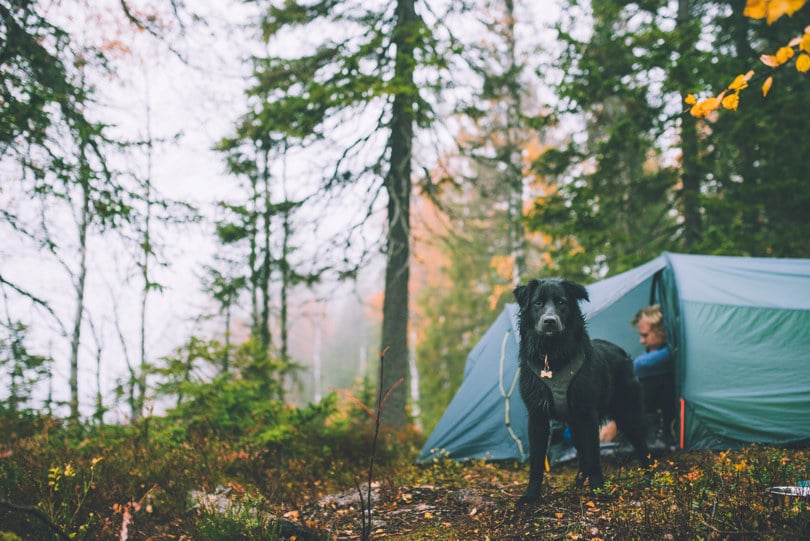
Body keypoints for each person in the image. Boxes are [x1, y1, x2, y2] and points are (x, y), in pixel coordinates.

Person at [599, 305, 675, 446]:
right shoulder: (655, 353)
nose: (642, 341)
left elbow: (639, 365)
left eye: (645, 335)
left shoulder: (670, 354)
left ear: (662, 331)